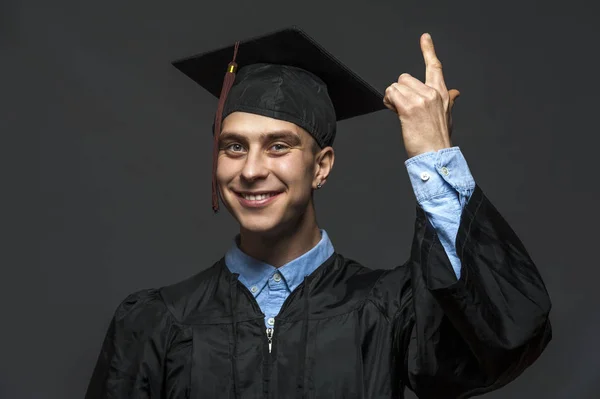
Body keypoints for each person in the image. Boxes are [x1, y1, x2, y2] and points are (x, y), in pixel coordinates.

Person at [85, 27, 551, 399]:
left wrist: (434, 155)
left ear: (321, 167)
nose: (250, 170)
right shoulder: (157, 321)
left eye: (278, 147)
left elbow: (503, 340)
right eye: (233, 147)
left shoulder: (390, 311)